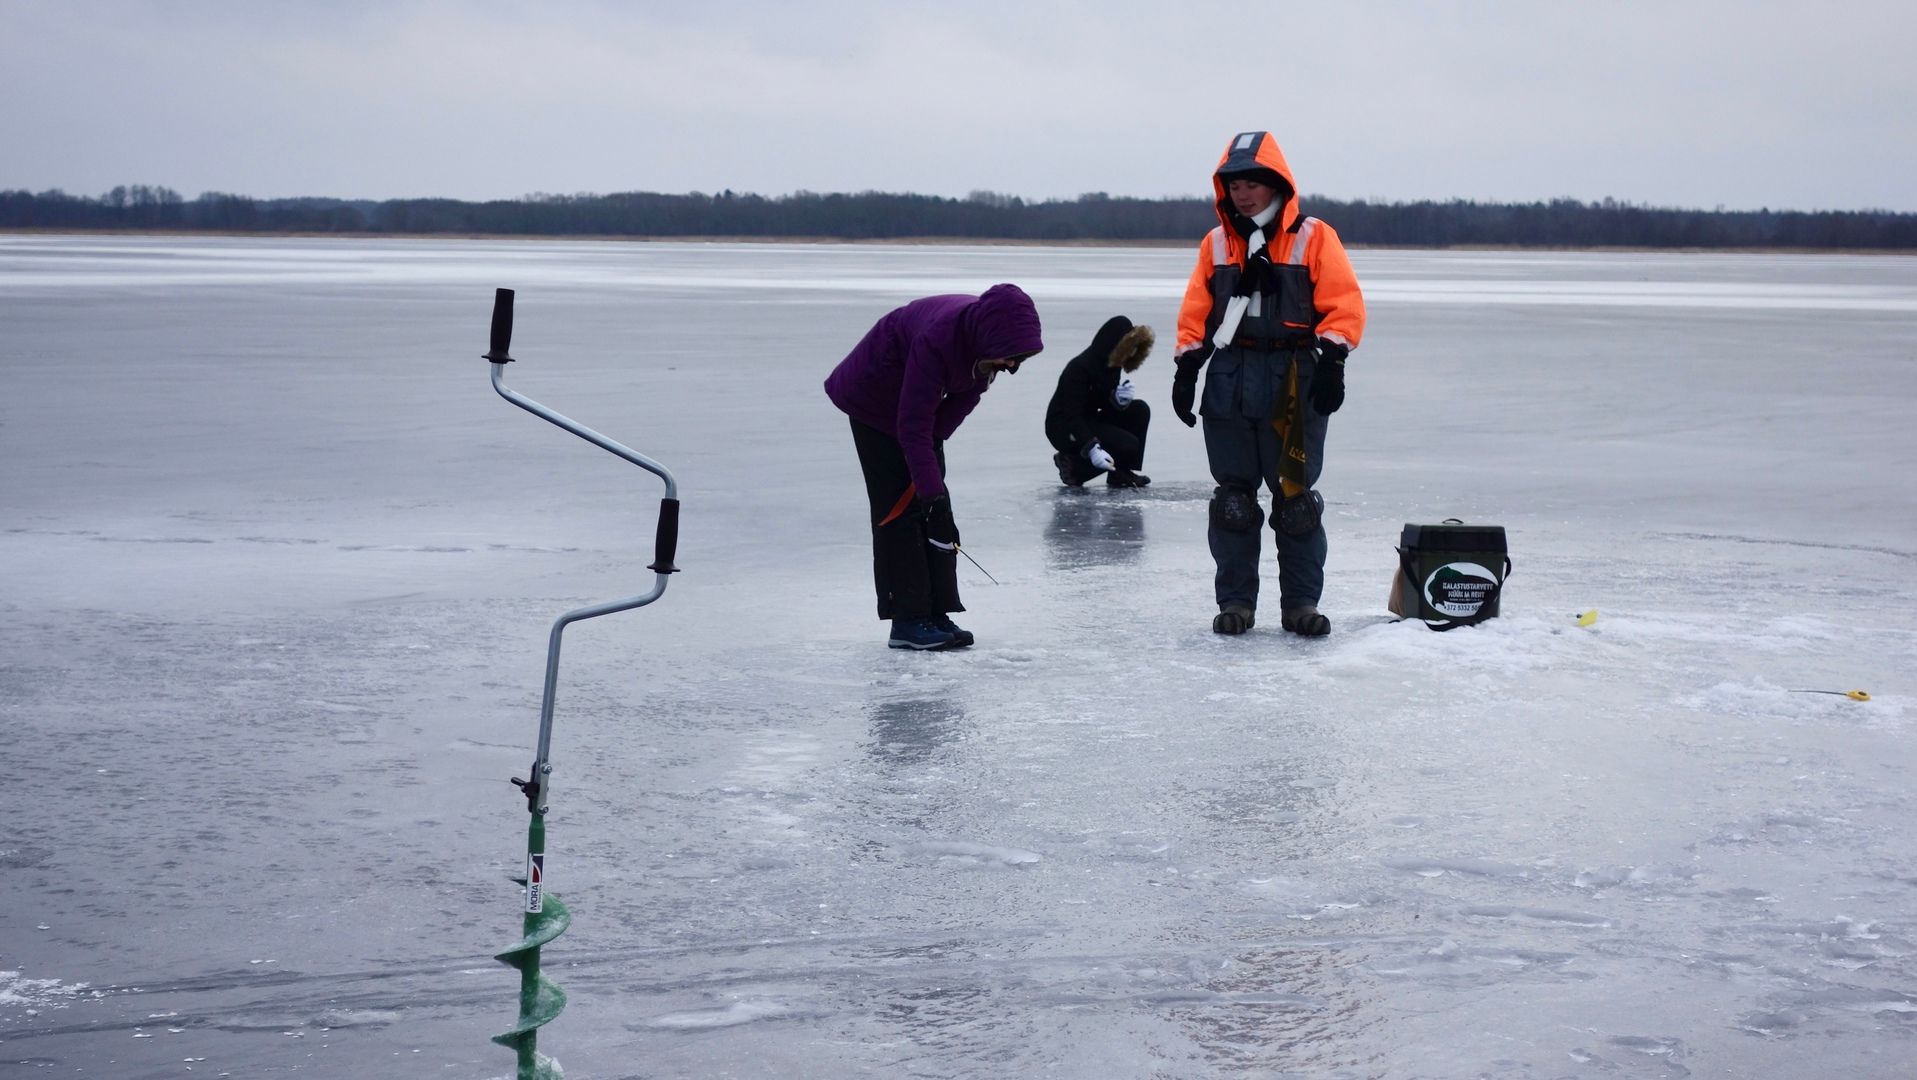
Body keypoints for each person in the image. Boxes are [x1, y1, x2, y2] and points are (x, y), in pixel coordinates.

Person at [1170, 131, 1366, 637]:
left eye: (1254, 183)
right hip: (1230, 377)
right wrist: (1187, 366)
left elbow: (1343, 304)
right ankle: (1236, 604)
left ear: (1278, 184)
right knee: (1233, 500)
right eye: (1234, 185)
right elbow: (1196, 310)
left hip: (1294, 379)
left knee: (1295, 499)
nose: (1243, 193)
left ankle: (1300, 605)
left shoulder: (1313, 236)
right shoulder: (1216, 244)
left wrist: (1334, 361)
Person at [824, 284, 1044, 650]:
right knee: (899, 507)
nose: (1012, 367)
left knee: (935, 507)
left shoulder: (987, 353)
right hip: (872, 398)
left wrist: (933, 485)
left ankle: (935, 610)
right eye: (1010, 357)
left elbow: (944, 420)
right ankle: (908, 620)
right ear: (993, 339)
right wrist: (928, 489)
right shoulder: (939, 340)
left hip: (911, 405)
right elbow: (912, 426)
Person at [1044, 315, 1156, 488]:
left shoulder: (1113, 364)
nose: (1131, 353)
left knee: (1139, 410)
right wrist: (1092, 447)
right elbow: (1072, 414)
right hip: (1063, 427)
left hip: (1088, 419)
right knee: (1127, 444)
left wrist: (1118, 401)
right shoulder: (1079, 368)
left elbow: (1100, 401)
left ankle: (1120, 473)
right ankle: (1073, 467)